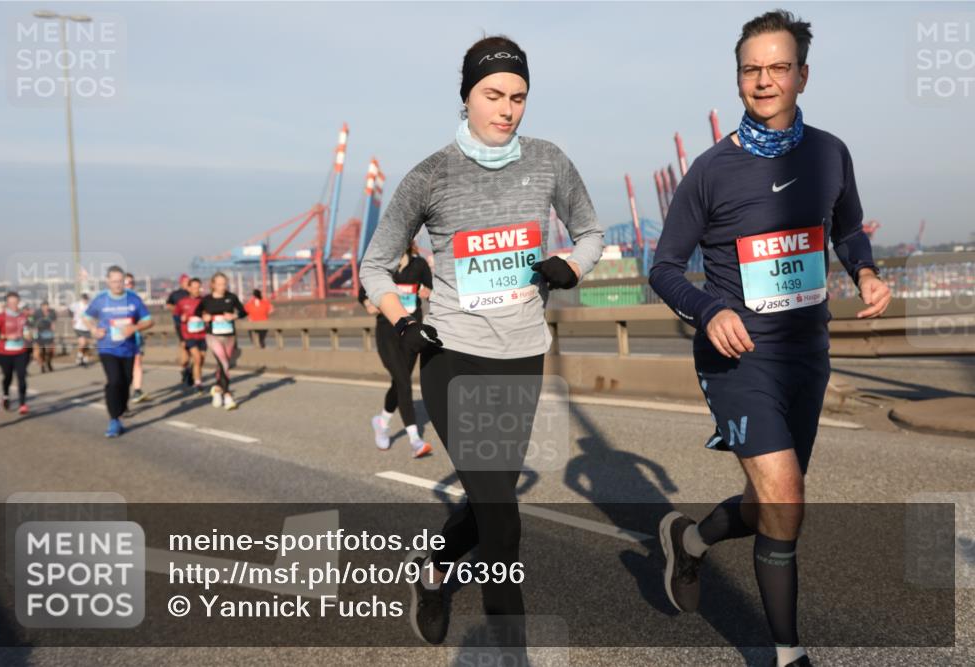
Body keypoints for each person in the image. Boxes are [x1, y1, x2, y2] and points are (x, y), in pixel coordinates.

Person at [648, 11, 892, 667]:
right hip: (737, 356)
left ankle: (692, 542)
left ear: (802, 74)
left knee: (773, 502)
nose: (764, 80)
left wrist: (865, 270)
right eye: (751, 69)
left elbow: (846, 228)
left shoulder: (830, 153)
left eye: (777, 67)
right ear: (738, 78)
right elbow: (663, 267)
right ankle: (787, 653)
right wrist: (707, 311)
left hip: (806, 355)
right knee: (784, 493)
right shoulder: (709, 169)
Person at [360, 35, 603, 652]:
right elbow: (374, 265)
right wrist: (402, 320)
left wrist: (571, 267)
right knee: (502, 514)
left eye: (519, 97)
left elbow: (592, 232)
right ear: (465, 96)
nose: (507, 108)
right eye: (493, 94)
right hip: (452, 355)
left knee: (486, 492)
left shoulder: (548, 161)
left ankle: (434, 568)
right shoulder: (430, 175)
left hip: (521, 353)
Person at [359, 240, 434, 458]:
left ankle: (381, 422)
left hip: (410, 331)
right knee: (403, 381)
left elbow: (430, 287)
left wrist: (426, 292)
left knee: (399, 381)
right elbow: (363, 292)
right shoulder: (382, 267)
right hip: (386, 332)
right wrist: (367, 303)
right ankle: (415, 440)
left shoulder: (419, 265)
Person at [84, 265, 154, 438]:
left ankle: (120, 410)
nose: (117, 285)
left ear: (124, 281)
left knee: (125, 382)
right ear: (108, 282)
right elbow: (86, 318)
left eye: (120, 281)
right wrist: (93, 330)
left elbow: (149, 320)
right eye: (113, 281)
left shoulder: (133, 299)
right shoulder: (100, 299)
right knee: (114, 380)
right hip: (107, 347)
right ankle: (114, 419)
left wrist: (135, 327)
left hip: (129, 349)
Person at [195, 272, 247, 410]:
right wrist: (204, 316)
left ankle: (217, 389)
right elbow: (197, 312)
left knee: (223, 365)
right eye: (219, 284)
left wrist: (234, 316)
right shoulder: (206, 300)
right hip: (213, 336)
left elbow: (243, 312)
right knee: (223, 363)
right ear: (212, 285)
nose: (222, 287)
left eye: (224, 284)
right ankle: (228, 395)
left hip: (229, 335)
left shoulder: (231, 297)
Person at [0, 291, 32, 415]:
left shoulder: (24, 317)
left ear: (19, 302)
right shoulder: (1, 317)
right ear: (7, 303)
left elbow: (30, 331)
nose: (14, 304)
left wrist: (30, 337)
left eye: (16, 302)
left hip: (21, 352)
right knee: (7, 377)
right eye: (11, 302)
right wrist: (7, 336)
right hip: (5, 353)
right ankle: (6, 394)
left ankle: (22, 404)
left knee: (22, 377)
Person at [173, 277, 208, 393]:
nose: (196, 290)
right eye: (193, 288)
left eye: (198, 288)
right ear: (188, 288)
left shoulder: (204, 301)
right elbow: (176, 316)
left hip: (202, 335)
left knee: (201, 360)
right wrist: (181, 320)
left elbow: (209, 315)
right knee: (197, 358)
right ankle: (198, 383)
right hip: (189, 335)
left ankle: (190, 372)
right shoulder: (182, 302)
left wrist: (207, 318)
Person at [124, 273, 150, 403]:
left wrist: (139, 326)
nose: (129, 285)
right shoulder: (112, 300)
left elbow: (145, 318)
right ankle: (123, 392)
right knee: (123, 367)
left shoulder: (136, 299)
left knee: (137, 361)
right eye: (126, 283)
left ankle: (137, 390)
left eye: (131, 283)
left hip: (135, 335)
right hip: (119, 338)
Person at [166, 273, 192, 386]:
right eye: (186, 282)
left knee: (193, 347)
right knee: (184, 346)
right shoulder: (176, 294)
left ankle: (190, 367)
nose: (188, 284)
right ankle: (185, 368)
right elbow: (168, 305)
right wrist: (178, 310)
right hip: (180, 324)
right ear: (181, 283)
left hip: (194, 325)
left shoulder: (193, 293)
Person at [30, 300, 57, 373]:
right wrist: (33, 331)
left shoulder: (52, 312)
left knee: (52, 350)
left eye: (47, 305)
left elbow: (53, 322)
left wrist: (53, 329)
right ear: (41, 306)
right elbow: (31, 321)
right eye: (44, 306)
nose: (46, 307)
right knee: (38, 351)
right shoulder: (36, 313)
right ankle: (41, 365)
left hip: (48, 332)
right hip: (38, 332)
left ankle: (48, 362)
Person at [69, 293, 92, 366]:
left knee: (87, 344)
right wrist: (72, 318)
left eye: (86, 299)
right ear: (82, 299)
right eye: (84, 299)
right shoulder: (76, 305)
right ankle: (79, 357)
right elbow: (69, 309)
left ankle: (83, 358)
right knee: (82, 343)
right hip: (78, 326)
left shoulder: (89, 306)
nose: (85, 300)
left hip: (87, 327)